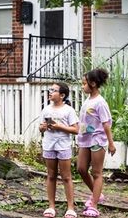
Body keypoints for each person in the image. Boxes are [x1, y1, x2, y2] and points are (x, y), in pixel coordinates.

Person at [76, 68, 116, 217]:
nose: (82, 86)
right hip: (85, 139)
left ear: (93, 83)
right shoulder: (88, 100)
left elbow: (106, 124)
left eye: (84, 83)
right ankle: (96, 194)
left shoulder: (100, 102)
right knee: (81, 169)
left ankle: (93, 205)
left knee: (97, 172)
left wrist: (111, 144)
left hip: (98, 140)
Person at [40, 82, 79, 218]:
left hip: (63, 146)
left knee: (66, 176)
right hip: (49, 145)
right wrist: (44, 127)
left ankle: (70, 208)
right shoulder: (46, 109)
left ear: (62, 95)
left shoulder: (69, 110)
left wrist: (59, 127)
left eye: (54, 90)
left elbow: (76, 130)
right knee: (51, 175)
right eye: (50, 89)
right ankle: (51, 206)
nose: (50, 92)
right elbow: (40, 127)